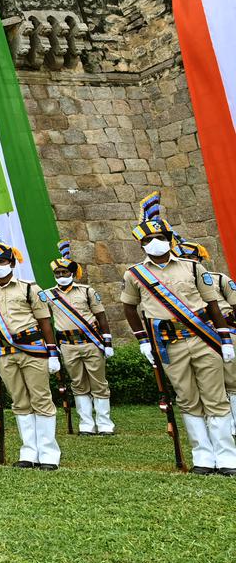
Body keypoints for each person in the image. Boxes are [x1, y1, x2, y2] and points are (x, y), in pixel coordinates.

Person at [121, 194, 235, 475]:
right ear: (140, 245)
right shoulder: (134, 274)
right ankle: (203, 457)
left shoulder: (194, 267)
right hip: (168, 344)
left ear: (168, 238)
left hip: (202, 338)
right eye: (146, 241)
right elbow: (129, 307)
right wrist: (143, 340)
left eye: (157, 237)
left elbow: (211, 303)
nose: (152, 243)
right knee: (187, 398)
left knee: (215, 397)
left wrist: (225, 338)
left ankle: (227, 457)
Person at [0, 221, 61, 470]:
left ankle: (48, 453)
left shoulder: (30, 288)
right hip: (3, 353)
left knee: (41, 399)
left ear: (12, 264)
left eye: (2, 262)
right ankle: (28, 451)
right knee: (20, 402)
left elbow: (45, 321)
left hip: (33, 349)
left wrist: (52, 352)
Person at [45, 241, 115, 435]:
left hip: (91, 342)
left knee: (99, 384)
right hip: (67, 345)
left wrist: (107, 342)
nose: (61, 276)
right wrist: (52, 348)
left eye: (65, 273)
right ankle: (86, 423)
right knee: (78, 384)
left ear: (72, 274)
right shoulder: (49, 295)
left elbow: (101, 316)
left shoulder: (87, 291)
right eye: (58, 274)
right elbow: (45, 321)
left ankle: (104, 423)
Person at [173, 233, 236, 436]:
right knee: (202, 383)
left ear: (199, 260)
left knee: (231, 381)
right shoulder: (170, 286)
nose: (188, 263)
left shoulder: (218, 279)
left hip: (223, 330)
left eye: (192, 259)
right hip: (193, 334)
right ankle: (211, 425)